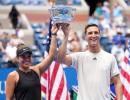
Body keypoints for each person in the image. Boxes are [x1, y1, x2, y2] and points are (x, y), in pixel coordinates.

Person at [57, 23, 122, 100]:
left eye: (96, 32)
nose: (93, 35)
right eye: (90, 33)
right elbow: (61, 59)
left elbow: (117, 82)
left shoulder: (110, 58)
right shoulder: (79, 57)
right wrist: (66, 36)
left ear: (100, 35)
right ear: (85, 37)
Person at [6, 24, 59, 100]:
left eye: (28, 56)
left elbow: (51, 56)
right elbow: (8, 99)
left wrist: (53, 34)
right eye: (23, 56)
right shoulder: (13, 76)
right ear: (17, 58)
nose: (26, 59)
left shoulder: (36, 70)